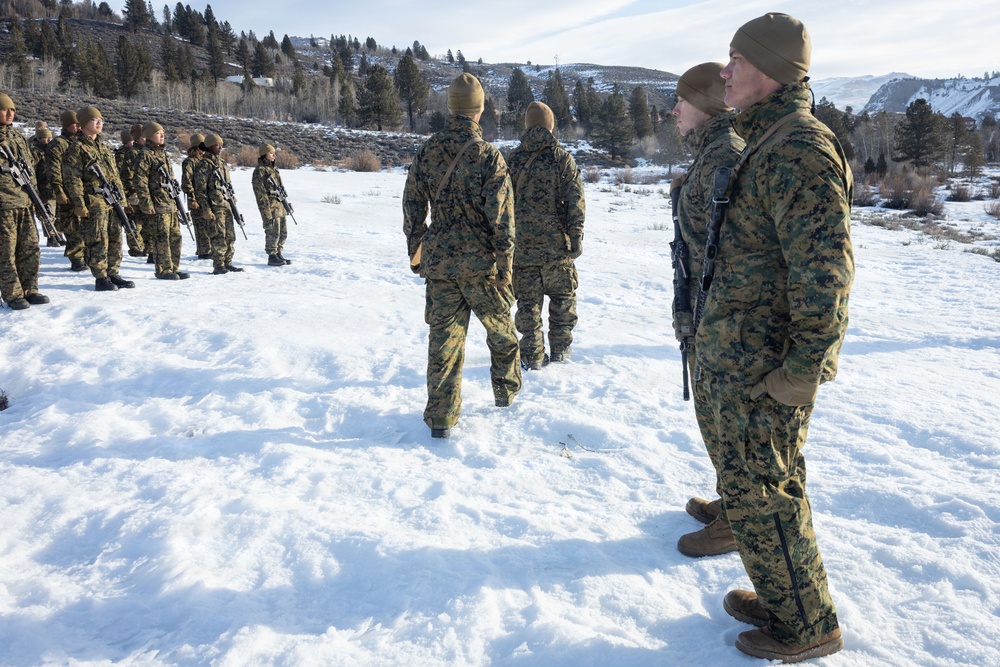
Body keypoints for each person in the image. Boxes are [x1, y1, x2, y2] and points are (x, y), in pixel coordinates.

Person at [697, 14, 853, 662]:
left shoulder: (798, 148)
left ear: (770, 69)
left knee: (770, 492)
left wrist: (802, 370)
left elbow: (827, 272)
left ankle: (807, 624)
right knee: (756, 494)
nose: (725, 71)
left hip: (768, 372)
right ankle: (784, 597)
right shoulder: (767, 141)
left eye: (736, 59)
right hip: (745, 364)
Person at [402, 73, 521, 438]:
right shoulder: (488, 156)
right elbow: (502, 220)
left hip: (440, 265)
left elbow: (411, 204)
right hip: (481, 266)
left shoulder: (428, 151)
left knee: (444, 344)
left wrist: (417, 251)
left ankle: (440, 419)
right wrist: (506, 269)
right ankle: (506, 397)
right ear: (480, 110)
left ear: (450, 107)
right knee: (503, 334)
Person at [668, 63, 746, 559]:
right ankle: (733, 503)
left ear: (707, 105)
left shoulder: (727, 157)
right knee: (714, 421)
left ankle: (740, 520)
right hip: (705, 318)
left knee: (730, 425)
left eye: (683, 99)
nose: (674, 109)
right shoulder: (710, 156)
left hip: (727, 325)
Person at [505, 101, 585, 370]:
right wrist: (576, 237)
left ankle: (533, 357)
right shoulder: (561, 159)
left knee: (527, 306)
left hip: (522, 250)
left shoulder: (512, 160)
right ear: (551, 126)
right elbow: (575, 201)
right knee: (563, 302)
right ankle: (561, 353)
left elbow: (500, 204)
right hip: (557, 250)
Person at [62, 105, 136, 292]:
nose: (99, 123)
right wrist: (79, 203)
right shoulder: (77, 148)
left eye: (101, 120)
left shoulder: (103, 148)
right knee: (98, 239)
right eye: (95, 120)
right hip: (93, 200)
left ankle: (113, 272)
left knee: (115, 237)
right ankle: (101, 277)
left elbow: (115, 176)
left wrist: (123, 201)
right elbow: (72, 179)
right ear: (84, 123)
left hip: (112, 200)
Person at [0, 93, 48, 310]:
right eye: (4, 109)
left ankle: (30, 289)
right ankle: (13, 294)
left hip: (25, 201)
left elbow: (29, 172)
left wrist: (36, 200)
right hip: (4, 204)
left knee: (30, 248)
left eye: (12, 110)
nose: (9, 113)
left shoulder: (18, 137)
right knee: (6, 251)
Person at [134, 122, 188, 281]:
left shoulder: (163, 154)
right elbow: (140, 181)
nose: (162, 135)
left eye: (163, 132)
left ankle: (173, 267)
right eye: (158, 133)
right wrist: (146, 203)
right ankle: (163, 270)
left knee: (175, 237)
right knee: (161, 238)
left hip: (170, 203)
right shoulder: (145, 154)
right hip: (157, 204)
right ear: (150, 135)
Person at [193, 133, 242, 274]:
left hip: (226, 205)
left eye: (221, 144)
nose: (220, 147)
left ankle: (228, 262)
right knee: (218, 236)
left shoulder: (221, 163)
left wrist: (232, 198)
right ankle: (218, 264)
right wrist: (206, 209)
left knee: (230, 236)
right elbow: (200, 190)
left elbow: (227, 184)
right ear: (209, 146)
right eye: (216, 144)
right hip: (214, 207)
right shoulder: (204, 164)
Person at [46, 109, 87, 271]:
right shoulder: (58, 144)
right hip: (67, 192)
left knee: (85, 225)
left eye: (79, 124)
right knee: (72, 225)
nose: (78, 127)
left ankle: (86, 254)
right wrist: (58, 190)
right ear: (66, 125)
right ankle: (77, 257)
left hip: (82, 190)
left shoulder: (82, 142)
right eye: (74, 124)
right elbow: (53, 169)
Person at [251, 143, 291, 266]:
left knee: (282, 232)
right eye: (270, 153)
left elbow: (280, 188)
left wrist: (286, 205)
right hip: (270, 207)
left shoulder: (274, 170)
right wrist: (265, 210)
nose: (273, 155)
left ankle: (278, 252)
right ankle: (272, 256)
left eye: (274, 152)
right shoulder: (260, 171)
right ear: (264, 155)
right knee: (272, 231)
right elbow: (260, 194)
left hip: (279, 206)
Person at [121, 124, 151, 260]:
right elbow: (126, 176)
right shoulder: (132, 153)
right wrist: (129, 194)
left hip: (146, 193)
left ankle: (148, 247)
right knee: (135, 222)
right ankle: (136, 247)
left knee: (148, 223)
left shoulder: (148, 152)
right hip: (135, 194)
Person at [182, 132, 212, 259]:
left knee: (207, 225)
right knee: (200, 226)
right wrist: (192, 198)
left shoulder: (204, 161)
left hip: (205, 198)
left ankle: (208, 249)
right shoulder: (189, 162)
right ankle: (203, 251)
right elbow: (187, 181)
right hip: (196, 198)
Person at [29, 121, 59, 247]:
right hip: (41, 187)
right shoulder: (34, 152)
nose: (47, 140)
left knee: (54, 212)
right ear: (38, 138)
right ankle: (51, 236)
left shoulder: (51, 151)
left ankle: (56, 233)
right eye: (45, 138)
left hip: (53, 186)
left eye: (49, 138)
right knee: (46, 212)